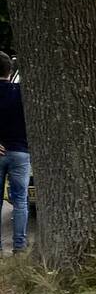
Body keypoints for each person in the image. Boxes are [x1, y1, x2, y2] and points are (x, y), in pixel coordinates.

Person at [0, 51, 30, 254]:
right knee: (20, 201)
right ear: (10, 70)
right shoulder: (22, 93)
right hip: (21, 151)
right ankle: (20, 247)